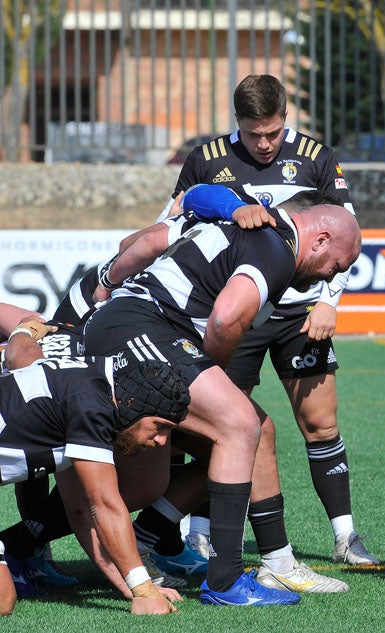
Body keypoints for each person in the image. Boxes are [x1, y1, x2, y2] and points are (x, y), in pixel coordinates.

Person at [84, 198, 361, 606]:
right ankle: (226, 581)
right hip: (143, 328)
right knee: (238, 422)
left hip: (137, 326)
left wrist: (108, 281)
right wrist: (216, 374)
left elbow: (150, 238)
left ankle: (278, 563)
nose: (330, 277)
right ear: (319, 240)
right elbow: (226, 318)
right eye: (336, 265)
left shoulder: (253, 229)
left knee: (259, 429)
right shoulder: (276, 248)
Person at [169, 73, 379, 567]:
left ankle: (345, 536)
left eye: (273, 132)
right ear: (236, 123)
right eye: (252, 133)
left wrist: (329, 301)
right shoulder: (206, 159)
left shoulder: (316, 157)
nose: (264, 144)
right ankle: (198, 534)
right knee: (221, 424)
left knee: (320, 423)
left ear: (286, 116)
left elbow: (346, 232)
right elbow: (172, 219)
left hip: (300, 313)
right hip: (233, 310)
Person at [0, 350, 189, 616]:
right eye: (160, 426)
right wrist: (144, 590)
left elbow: (81, 510)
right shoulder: (92, 404)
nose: (161, 441)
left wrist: (131, 586)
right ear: (133, 403)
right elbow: (105, 505)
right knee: (3, 601)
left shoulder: (89, 388)